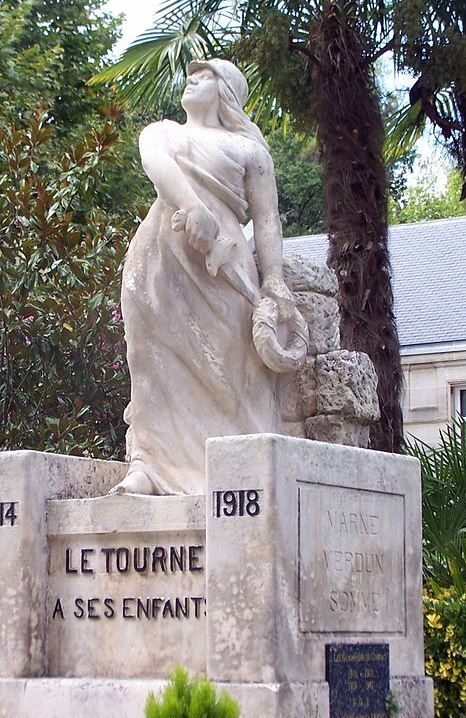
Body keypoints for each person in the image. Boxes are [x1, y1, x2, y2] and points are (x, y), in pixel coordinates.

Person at [111, 59, 303, 496]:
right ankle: (151, 466)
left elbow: (267, 220)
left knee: (236, 366)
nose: (192, 80)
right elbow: (156, 163)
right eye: (190, 75)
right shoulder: (163, 132)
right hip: (158, 263)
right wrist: (193, 208)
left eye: (205, 76)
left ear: (227, 92)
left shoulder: (251, 151)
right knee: (154, 360)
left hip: (226, 267)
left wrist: (273, 280)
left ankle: (243, 469)